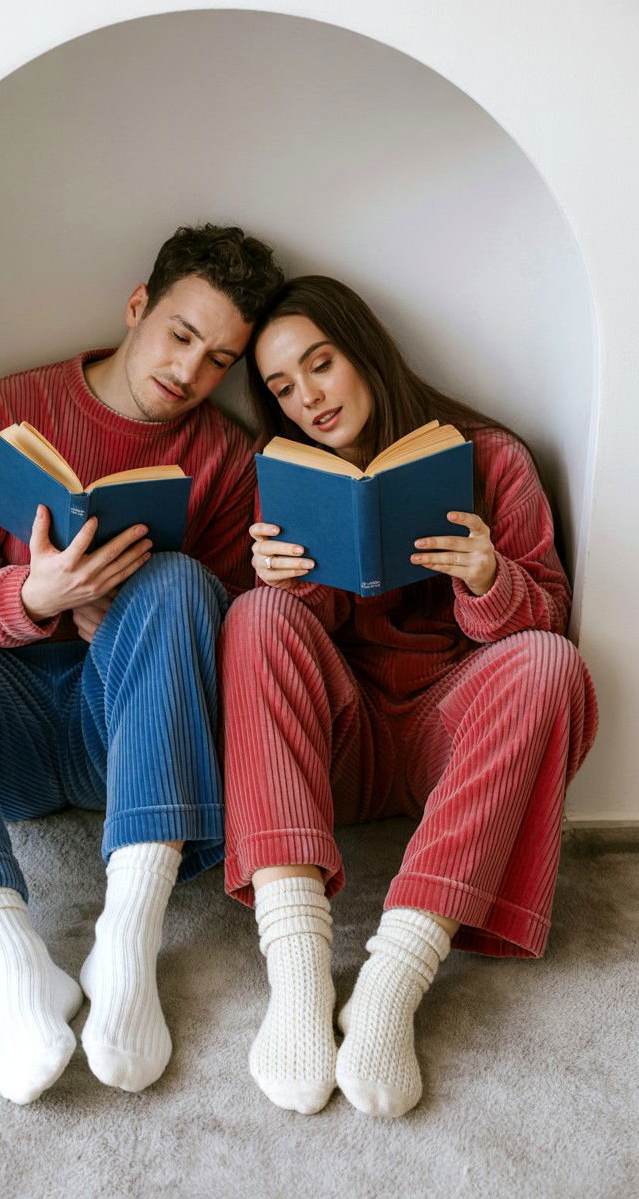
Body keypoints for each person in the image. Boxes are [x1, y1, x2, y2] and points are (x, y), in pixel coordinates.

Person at [0, 224, 284, 1105]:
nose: (190, 373)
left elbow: (230, 646)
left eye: (219, 359)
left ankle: (129, 938)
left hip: (131, 737)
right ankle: (17, 969)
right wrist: (32, 598)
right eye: (181, 336)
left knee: (182, 580)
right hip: (6, 723)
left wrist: (132, 612)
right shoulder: (13, 409)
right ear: (137, 307)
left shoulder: (224, 457)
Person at [217, 275, 599, 1117]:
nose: (307, 397)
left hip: (447, 738)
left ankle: (393, 980)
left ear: (365, 353)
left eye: (320, 365)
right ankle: (299, 975)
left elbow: (550, 618)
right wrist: (290, 583)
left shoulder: (492, 459)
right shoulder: (285, 477)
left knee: (548, 665)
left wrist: (490, 576)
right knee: (253, 614)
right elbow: (287, 646)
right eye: (283, 387)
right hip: (340, 742)